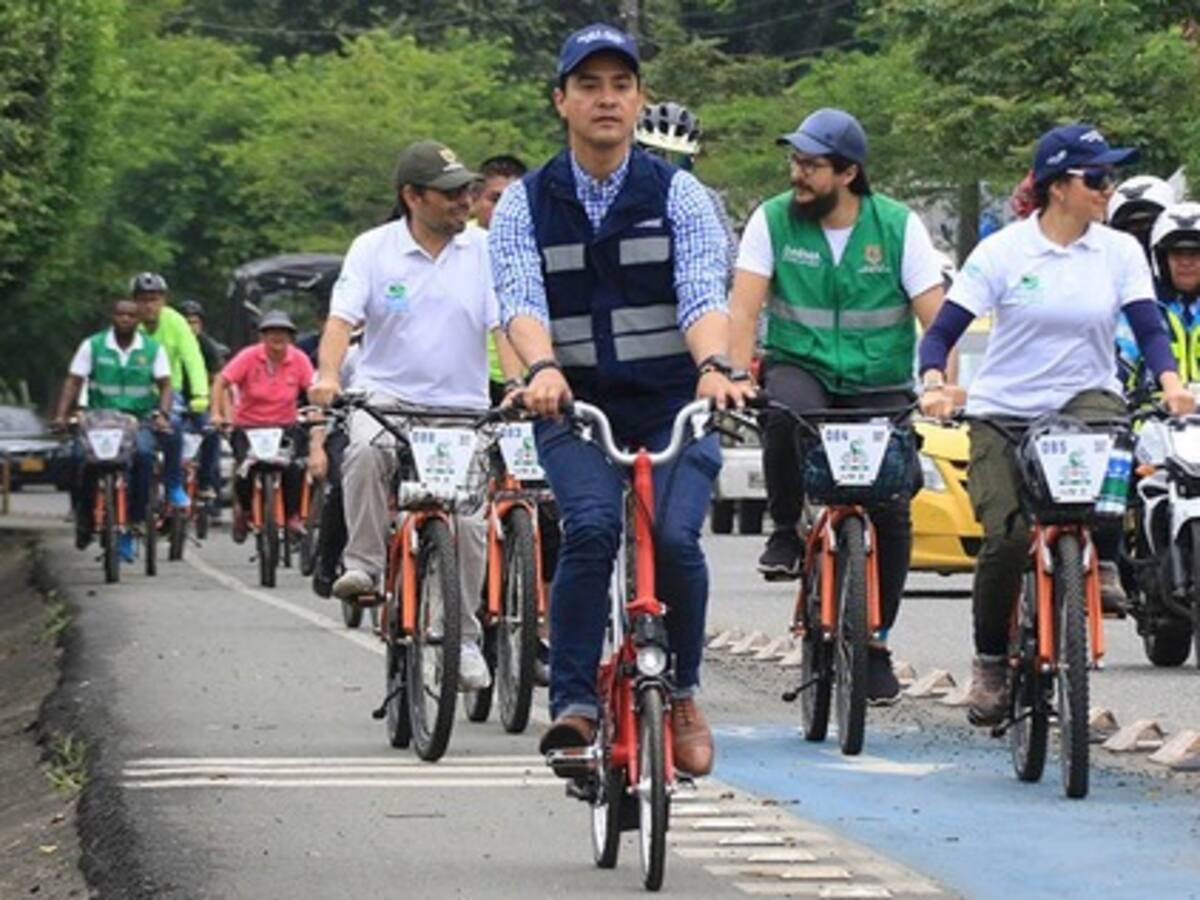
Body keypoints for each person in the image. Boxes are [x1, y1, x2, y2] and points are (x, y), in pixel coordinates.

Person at [489, 23, 752, 776]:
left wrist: (715, 365)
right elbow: (520, 296)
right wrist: (541, 369)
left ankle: (685, 693)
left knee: (673, 542)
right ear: (561, 101)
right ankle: (572, 702)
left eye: (621, 86)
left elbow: (704, 291)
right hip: (573, 408)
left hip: (674, 401)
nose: (606, 99)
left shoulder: (682, 195)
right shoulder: (523, 204)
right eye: (589, 86)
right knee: (593, 529)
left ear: (639, 101)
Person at [917, 123, 1195, 726]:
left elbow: (1148, 327)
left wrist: (1172, 384)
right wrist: (935, 382)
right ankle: (991, 661)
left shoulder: (1119, 251)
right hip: (1004, 412)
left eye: (1109, 177)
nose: (1106, 189)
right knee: (1007, 541)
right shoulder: (1003, 252)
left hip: (1081, 399)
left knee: (1116, 437)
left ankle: (1108, 554)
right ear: (1058, 187)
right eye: (1096, 178)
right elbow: (942, 332)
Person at [727, 107, 947, 703]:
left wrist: (939, 383)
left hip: (878, 379)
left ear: (848, 173)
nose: (797, 174)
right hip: (803, 365)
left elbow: (937, 319)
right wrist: (731, 372)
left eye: (811, 164)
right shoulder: (772, 220)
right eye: (794, 161)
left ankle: (874, 640)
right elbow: (744, 310)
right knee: (782, 413)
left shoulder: (899, 227)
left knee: (892, 508)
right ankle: (785, 529)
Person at [310, 139, 523, 693]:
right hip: (386, 402)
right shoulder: (372, 249)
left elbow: (506, 326)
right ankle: (365, 567)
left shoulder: (483, 251)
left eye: (467, 190)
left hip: (461, 411)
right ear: (412, 197)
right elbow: (340, 321)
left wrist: (523, 380)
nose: (464, 201)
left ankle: (464, 637)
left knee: (472, 521)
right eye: (450, 192)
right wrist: (329, 376)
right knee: (362, 452)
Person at [53, 298, 172, 562]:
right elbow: (74, 381)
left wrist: (162, 414)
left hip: (137, 420)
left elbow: (165, 385)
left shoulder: (152, 349)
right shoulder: (93, 345)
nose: (125, 319)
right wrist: (61, 415)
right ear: (112, 317)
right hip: (98, 420)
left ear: (138, 320)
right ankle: (83, 515)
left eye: (131, 315)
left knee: (143, 455)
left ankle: (137, 517)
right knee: (76, 459)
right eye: (120, 315)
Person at [211, 310, 324, 540]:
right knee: (245, 471)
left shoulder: (299, 359)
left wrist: (316, 411)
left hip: (285, 426)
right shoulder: (248, 357)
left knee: (295, 467)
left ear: (291, 337)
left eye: (283, 332)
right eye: (271, 332)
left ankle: (292, 516)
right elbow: (221, 382)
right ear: (263, 336)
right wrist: (217, 414)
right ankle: (243, 511)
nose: (277, 337)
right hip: (248, 426)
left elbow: (312, 389)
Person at [130, 273, 209, 510]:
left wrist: (200, 395)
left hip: (168, 392)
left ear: (163, 300)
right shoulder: (126, 322)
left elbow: (192, 359)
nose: (149, 305)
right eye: (142, 300)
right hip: (133, 395)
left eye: (154, 299)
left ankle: (173, 483)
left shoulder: (176, 322)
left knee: (174, 427)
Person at [634, 100, 739, 273]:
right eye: (657, 157)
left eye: (677, 160)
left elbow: (732, 263)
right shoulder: (618, 194)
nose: (666, 168)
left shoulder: (706, 197)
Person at [471, 154, 530, 407]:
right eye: (495, 199)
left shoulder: (537, 242)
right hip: (472, 378)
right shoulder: (457, 245)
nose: (504, 208)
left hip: (529, 373)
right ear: (473, 200)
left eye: (513, 200)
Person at [180, 299, 228, 511]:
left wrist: (221, 414)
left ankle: (206, 485)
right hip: (171, 403)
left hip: (199, 404)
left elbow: (220, 381)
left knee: (211, 434)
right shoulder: (170, 344)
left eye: (195, 322)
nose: (191, 327)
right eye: (186, 322)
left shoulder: (208, 347)